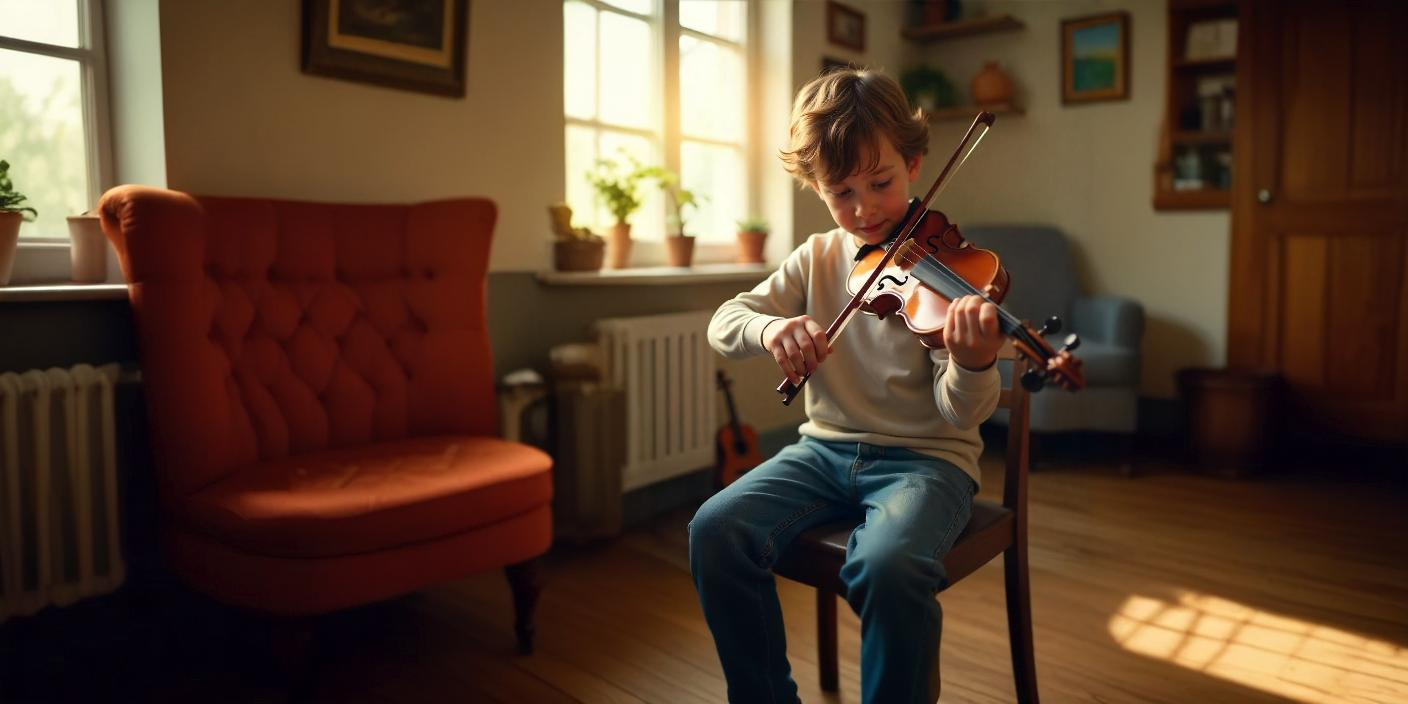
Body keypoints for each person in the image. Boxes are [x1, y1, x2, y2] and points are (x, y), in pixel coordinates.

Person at [689, 67, 1005, 704]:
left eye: (881, 183)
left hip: (927, 463)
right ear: (816, 189)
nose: (863, 209)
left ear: (914, 165)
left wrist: (972, 365)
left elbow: (956, 415)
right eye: (841, 192)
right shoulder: (816, 257)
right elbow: (726, 323)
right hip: (823, 453)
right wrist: (769, 331)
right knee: (714, 530)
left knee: (888, 566)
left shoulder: (951, 270)